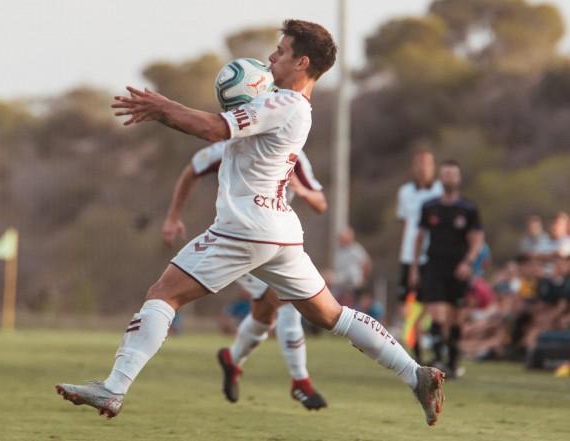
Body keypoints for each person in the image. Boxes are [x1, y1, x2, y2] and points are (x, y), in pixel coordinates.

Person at [56, 19, 445, 427]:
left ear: (302, 62)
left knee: (164, 294)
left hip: (245, 227)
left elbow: (212, 128)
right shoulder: (282, 103)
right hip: (280, 233)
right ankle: (414, 373)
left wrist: (161, 107)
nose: (272, 56)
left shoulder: (284, 105)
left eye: (281, 51)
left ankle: (114, 387)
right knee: (332, 315)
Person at [162, 139, 328, 410]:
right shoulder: (235, 144)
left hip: (275, 242)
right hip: (238, 240)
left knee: (264, 314)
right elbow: (192, 169)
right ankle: (301, 381)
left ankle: (232, 359)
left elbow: (321, 203)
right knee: (287, 302)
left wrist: (304, 192)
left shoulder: (295, 153)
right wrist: (173, 216)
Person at [409, 160, 484, 379]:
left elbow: (477, 240)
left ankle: (452, 362)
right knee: (437, 316)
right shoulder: (430, 206)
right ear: (441, 178)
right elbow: (419, 237)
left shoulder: (468, 209)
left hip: (458, 268)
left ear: (458, 178)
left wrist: (468, 262)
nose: (449, 178)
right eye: (445, 174)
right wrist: (414, 267)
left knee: (456, 319)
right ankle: (438, 360)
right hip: (434, 265)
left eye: (453, 174)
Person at [395, 147, 443, 360]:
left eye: (427, 164)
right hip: (408, 256)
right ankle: (416, 355)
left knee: (432, 306)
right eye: (420, 164)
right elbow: (406, 223)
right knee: (406, 307)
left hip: (432, 257)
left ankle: (437, 351)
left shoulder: (440, 191)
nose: (423, 168)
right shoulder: (405, 192)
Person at [329, 226, 372, 306]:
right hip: (341, 283)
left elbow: (366, 264)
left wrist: (364, 279)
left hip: (353, 283)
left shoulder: (356, 249)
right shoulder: (338, 252)